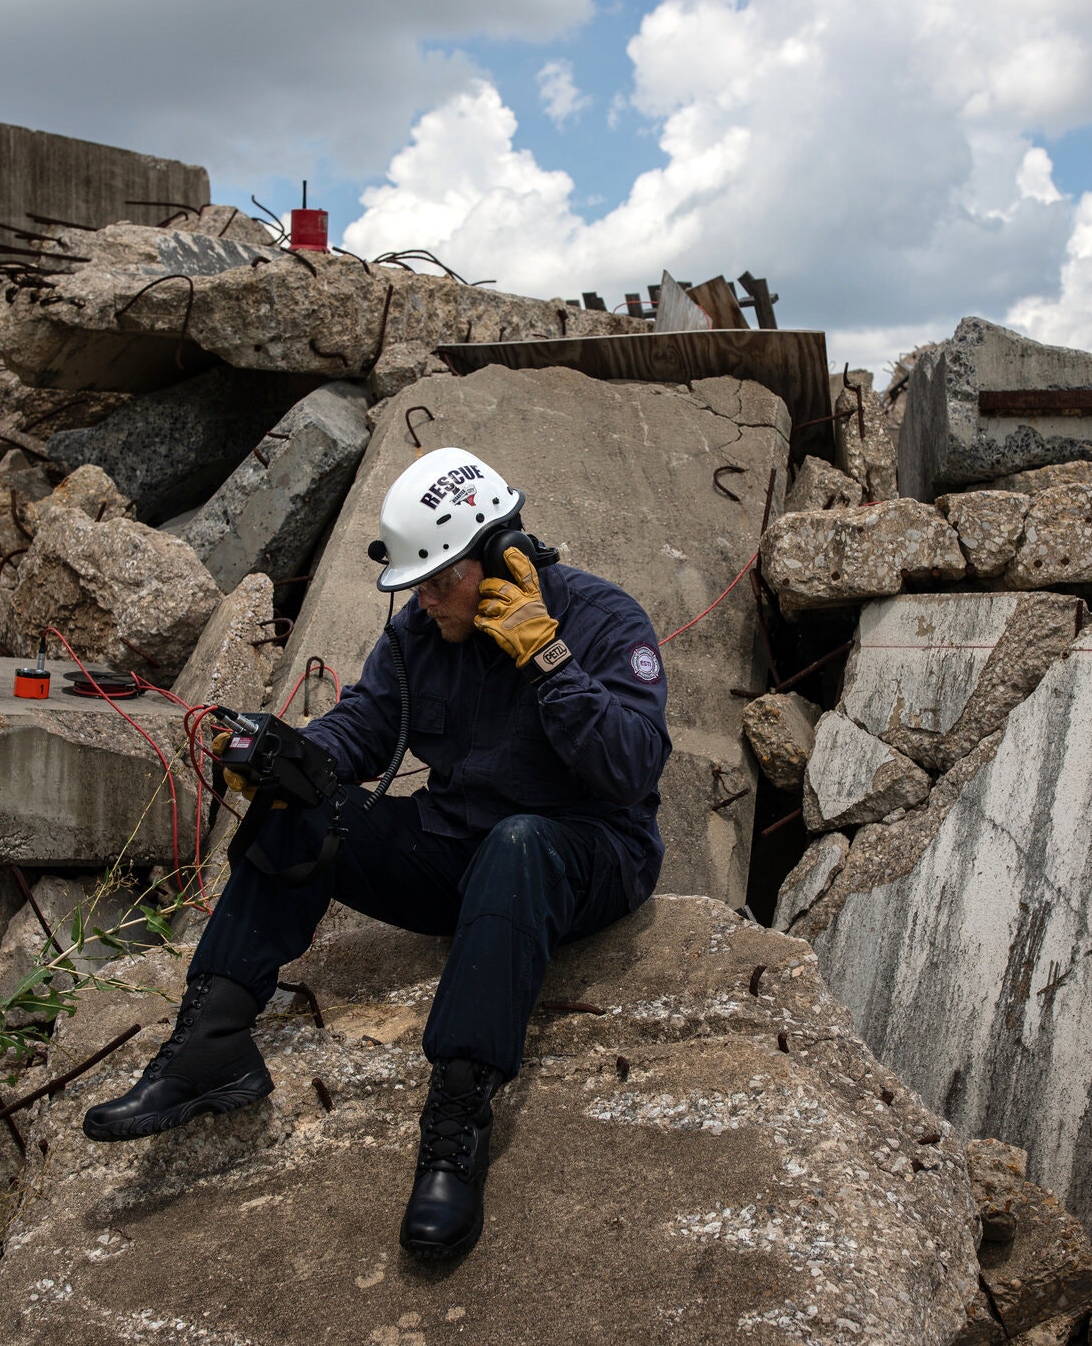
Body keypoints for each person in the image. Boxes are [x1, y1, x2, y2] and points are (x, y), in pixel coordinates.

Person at [82, 446, 672, 1261]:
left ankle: (456, 1122)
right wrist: (291, 753)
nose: (424, 601)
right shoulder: (421, 636)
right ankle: (211, 1049)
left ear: (498, 554)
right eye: (414, 586)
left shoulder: (602, 622)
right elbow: (361, 724)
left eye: (436, 581)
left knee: (519, 841)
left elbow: (632, 764)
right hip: (457, 853)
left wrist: (546, 658)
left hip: (582, 855)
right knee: (301, 802)